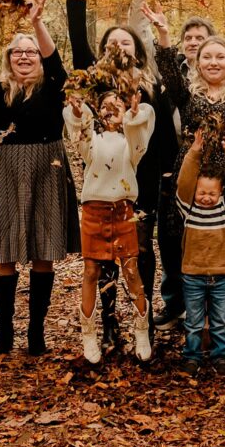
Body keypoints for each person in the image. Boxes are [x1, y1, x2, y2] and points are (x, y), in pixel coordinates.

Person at [66, 0, 178, 352]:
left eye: (126, 41)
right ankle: (109, 322)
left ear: (136, 50)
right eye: (112, 42)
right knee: (104, 253)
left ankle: (140, 318)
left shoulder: (149, 84)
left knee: (139, 250)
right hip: (102, 178)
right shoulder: (95, 82)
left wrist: (168, 172)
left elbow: (162, 129)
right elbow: (79, 42)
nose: (119, 45)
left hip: (143, 179)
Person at [148, 7, 225, 339]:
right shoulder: (188, 97)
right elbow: (169, 72)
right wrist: (162, 33)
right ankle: (196, 326)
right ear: (198, 62)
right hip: (194, 179)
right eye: (207, 57)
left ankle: (223, 328)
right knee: (194, 258)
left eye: (221, 57)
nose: (214, 62)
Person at [0, 0, 79, 357]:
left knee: (43, 250)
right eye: (17, 52)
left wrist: (36, 23)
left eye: (30, 51)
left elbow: (59, 63)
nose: (24, 57)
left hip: (48, 167)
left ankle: (36, 331)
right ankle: (4, 333)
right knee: (3, 251)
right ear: (8, 59)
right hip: (5, 170)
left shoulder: (53, 88)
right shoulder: (1, 90)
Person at [138, 0, 214, 330]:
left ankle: (207, 309)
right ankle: (174, 304)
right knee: (169, 239)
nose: (194, 43)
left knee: (202, 239)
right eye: (189, 38)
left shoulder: (217, 71)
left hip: (208, 169)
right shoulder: (169, 73)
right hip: (170, 165)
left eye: (200, 37)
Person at [65, 90, 156, 362]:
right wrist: (80, 113)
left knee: (130, 270)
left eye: (116, 104)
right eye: (104, 105)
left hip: (123, 210)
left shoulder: (131, 141)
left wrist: (134, 112)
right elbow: (79, 136)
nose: (110, 109)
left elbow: (140, 133)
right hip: (94, 209)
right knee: (91, 270)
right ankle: (89, 336)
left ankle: (141, 332)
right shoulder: (92, 140)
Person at [176, 130, 225, 377]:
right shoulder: (187, 207)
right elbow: (184, 181)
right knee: (193, 322)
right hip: (193, 276)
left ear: (220, 193)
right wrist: (194, 152)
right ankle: (192, 358)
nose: (206, 198)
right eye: (202, 193)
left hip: (220, 277)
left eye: (212, 194)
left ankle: (220, 358)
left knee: (219, 322)